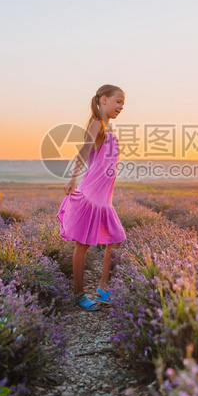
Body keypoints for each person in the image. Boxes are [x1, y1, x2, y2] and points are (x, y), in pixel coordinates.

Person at [56, 84, 127, 311]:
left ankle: (103, 290)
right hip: (90, 196)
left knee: (115, 241)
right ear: (104, 100)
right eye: (119, 102)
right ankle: (78, 295)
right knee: (83, 246)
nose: (121, 107)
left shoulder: (106, 127)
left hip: (103, 200)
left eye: (123, 104)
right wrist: (73, 177)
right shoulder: (97, 124)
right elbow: (84, 151)